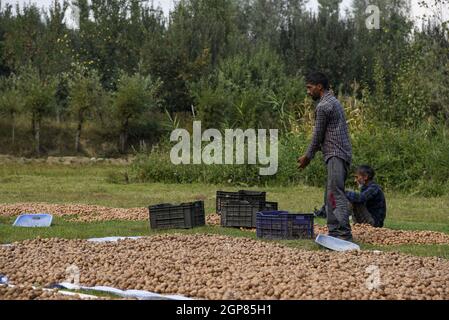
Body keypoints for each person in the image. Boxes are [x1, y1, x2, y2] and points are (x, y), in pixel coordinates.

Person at [298, 71, 353, 241]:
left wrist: (307, 156)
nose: (308, 91)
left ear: (319, 87)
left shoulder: (323, 106)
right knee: (330, 194)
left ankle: (343, 234)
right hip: (338, 153)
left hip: (336, 154)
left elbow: (317, 135)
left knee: (335, 193)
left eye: (309, 87)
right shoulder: (332, 101)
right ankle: (335, 231)